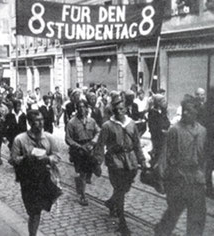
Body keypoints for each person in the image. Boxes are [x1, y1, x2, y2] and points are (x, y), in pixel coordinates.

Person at [94, 94, 147, 235]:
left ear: (126, 109)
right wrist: (98, 163)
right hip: (115, 161)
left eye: (122, 109)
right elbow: (100, 145)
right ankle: (122, 223)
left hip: (131, 161)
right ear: (113, 110)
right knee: (120, 188)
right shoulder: (107, 126)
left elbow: (137, 144)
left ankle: (111, 202)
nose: (119, 111)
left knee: (123, 189)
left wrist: (142, 161)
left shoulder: (131, 124)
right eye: (116, 109)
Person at [154, 95, 207, 236]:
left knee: (197, 219)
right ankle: (160, 232)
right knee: (172, 214)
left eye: (189, 111)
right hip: (178, 180)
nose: (184, 113)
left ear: (196, 112)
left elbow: (205, 158)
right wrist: (160, 179)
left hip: (196, 181)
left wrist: (204, 177)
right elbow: (164, 156)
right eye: (183, 110)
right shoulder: (175, 130)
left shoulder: (203, 131)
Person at [11, 110, 61, 236]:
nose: (40, 123)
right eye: (36, 121)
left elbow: (57, 157)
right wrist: (27, 157)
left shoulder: (49, 138)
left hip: (45, 178)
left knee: (37, 210)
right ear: (29, 122)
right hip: (28, 180)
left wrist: (47, 158)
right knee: (33, 211)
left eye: (42, 120)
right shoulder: (20, 139)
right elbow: (13, 160)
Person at [66, 100, 100, 206]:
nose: (81, 109)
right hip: (79, 150)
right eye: (79, 107)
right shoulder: (72, 122)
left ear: (86, 108)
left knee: (91, 171)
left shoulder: (92, 121)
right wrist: (78, 146)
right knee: (82, 174)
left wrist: (94, 141)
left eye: (83, 107)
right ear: (77, 109)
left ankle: (82, 187)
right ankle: (82, 195)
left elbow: (98, 131)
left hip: (90, 148)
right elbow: (68, 138)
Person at [148, 94, 170, 160]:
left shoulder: (163, 112)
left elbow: (167, 123)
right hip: (158, 138)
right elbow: (154, 128)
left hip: (164, 137)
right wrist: (163, 131)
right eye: (163, 101)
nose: (165, 102)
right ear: (158, 103)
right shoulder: (153, 113)